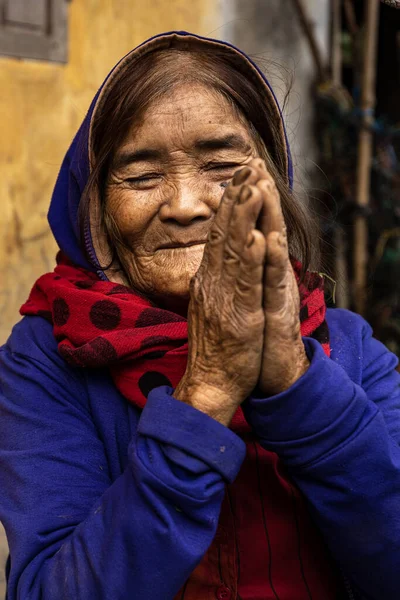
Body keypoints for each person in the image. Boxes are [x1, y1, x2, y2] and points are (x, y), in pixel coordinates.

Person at [0, 31, 399, 600]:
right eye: (141, 177)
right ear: (93, 209)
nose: (186, 206)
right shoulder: (46, 360)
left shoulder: (350, 350)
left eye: (222, 168)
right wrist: (208, 389)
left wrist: (290, 374)